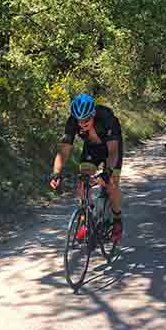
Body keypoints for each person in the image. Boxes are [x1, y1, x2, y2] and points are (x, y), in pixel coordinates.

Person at [49, 94, 124, 246]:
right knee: (83, 181)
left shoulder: (107, 118)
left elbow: (113, 152)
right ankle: (86, 221)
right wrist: (56, 173)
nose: (82, 125)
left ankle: (117, 220)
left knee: (111, 184)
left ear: (93, 114)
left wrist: (107, 172)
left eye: (86, 120)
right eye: (79, 121)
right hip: (92, 149)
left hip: (111, 149)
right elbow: (63, 152)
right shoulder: (72, 122)